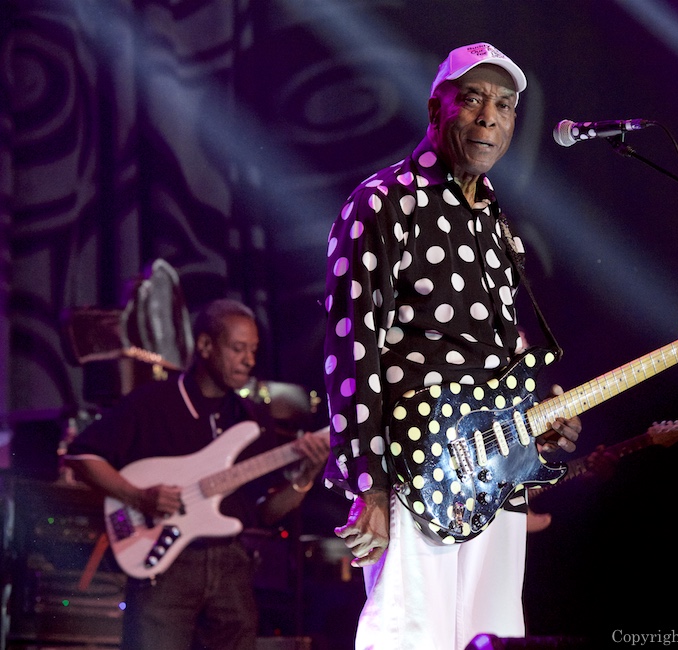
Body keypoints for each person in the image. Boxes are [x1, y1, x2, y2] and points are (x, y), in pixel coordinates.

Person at [320, 42, 582, 650]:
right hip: (416, 471)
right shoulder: (384, 203)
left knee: (492, 637)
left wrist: (538, 424)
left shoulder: (496, 223)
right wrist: (370, 486)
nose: (490, 116)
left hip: (498, 474)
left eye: (506, 105)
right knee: (410, 636)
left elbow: (497, 360)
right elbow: (351, 349)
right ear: (435, 109)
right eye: (473, 99)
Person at [65, 298, 330, 650]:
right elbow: (81, 455)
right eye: (237, 349)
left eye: (252, 350)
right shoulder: (153, 403)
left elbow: (265, 513)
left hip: (232, 571)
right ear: (205, 345)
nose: (249, 360)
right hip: (166, 571)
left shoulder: (252, 420)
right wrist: (137, 496)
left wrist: (304, 478)